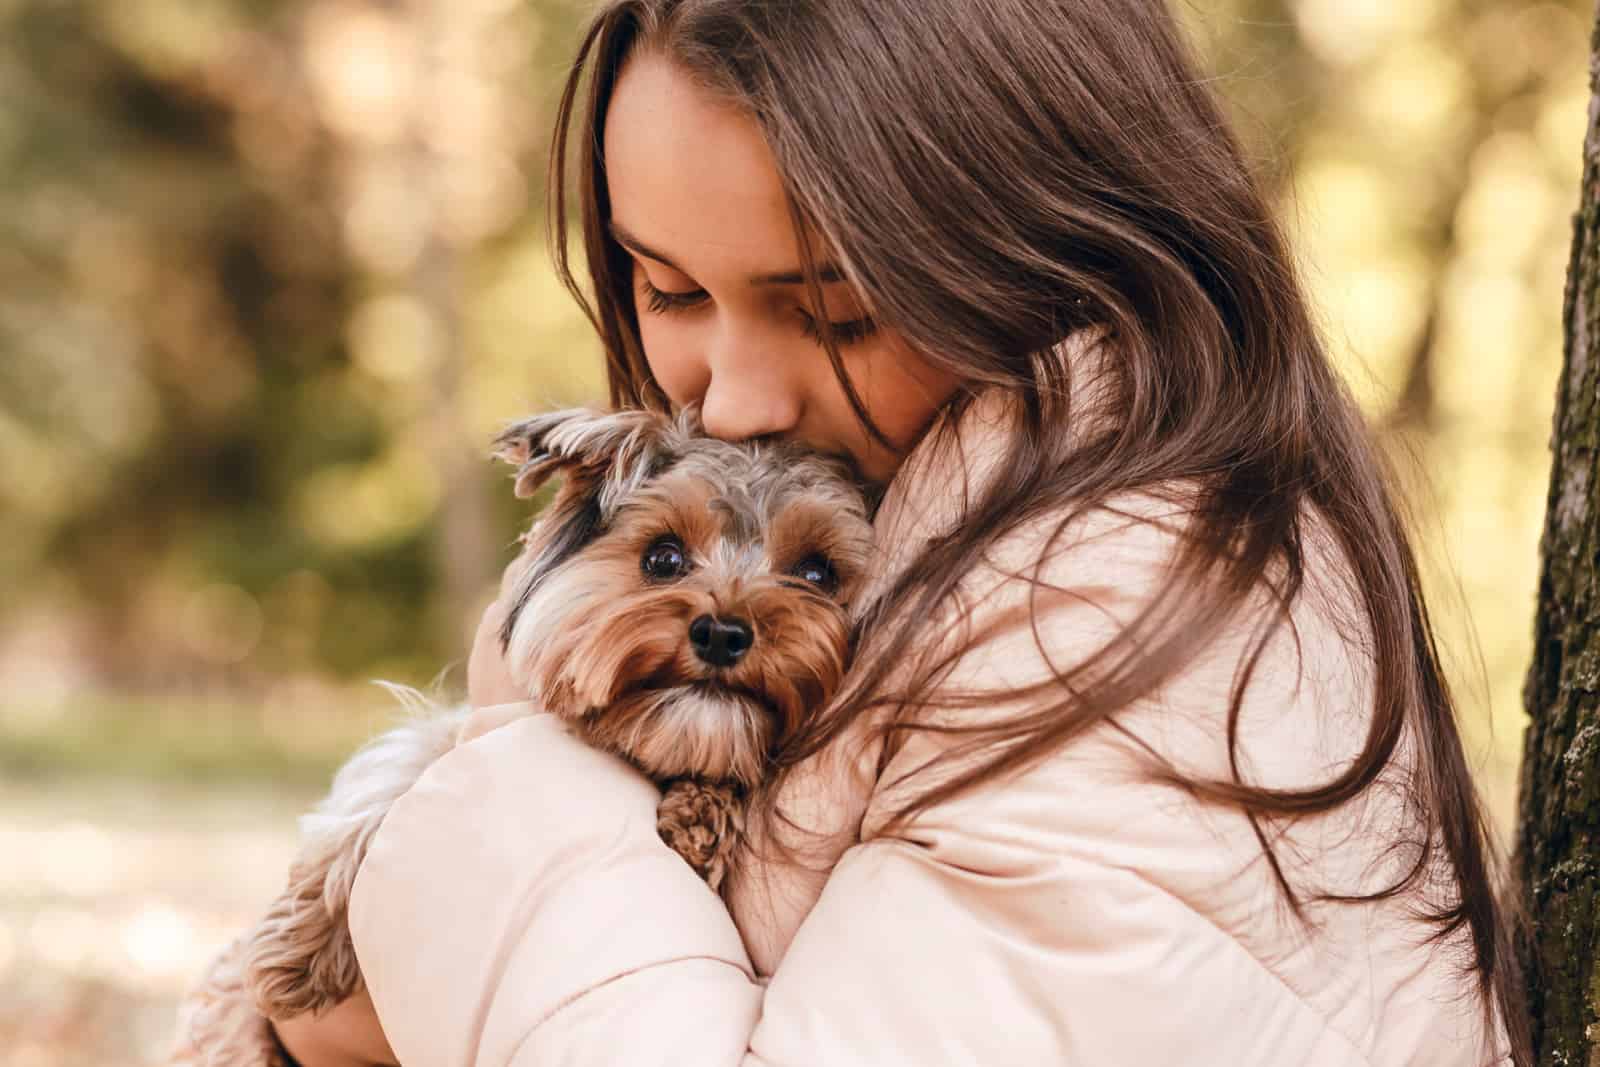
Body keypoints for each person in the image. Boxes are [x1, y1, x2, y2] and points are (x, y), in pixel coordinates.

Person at [274, 1, 1529, 1064]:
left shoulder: (1113, 594)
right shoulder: (1005, 527)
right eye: (667, 289)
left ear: (1034, 246)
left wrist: (517, 770)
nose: (738, 399)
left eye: (838, 313)